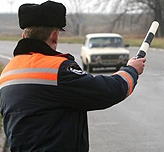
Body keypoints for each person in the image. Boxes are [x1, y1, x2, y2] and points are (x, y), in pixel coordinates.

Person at [0, 1, 146, 152]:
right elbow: (108, 91)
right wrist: (131, 70)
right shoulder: (57, 70)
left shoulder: (8, 71)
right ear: (55, 36)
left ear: (24, 36)